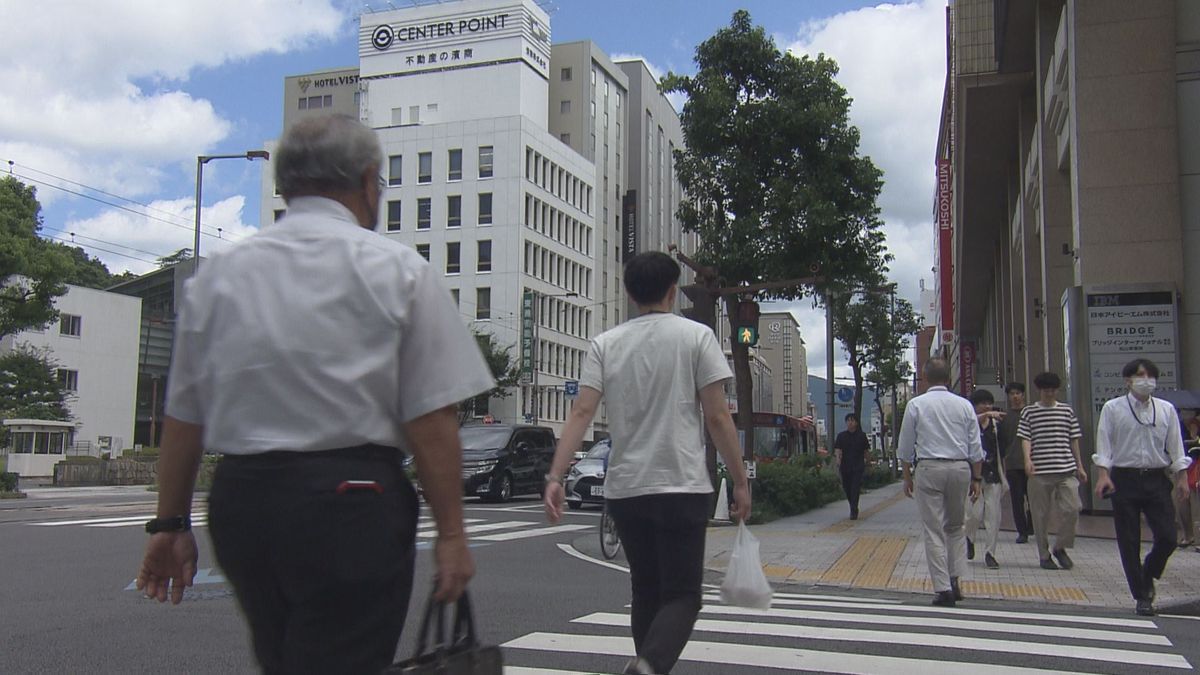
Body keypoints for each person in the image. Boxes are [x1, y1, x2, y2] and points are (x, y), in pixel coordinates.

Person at [134, 115, 496, 673]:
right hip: (351, 500)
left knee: (283, 656)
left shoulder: (221, 276)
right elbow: (431, 417)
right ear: (369, 180)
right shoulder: (397, 269)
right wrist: (452, 534)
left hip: (244, 501)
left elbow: (184, 415)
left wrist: (169, 525)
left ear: (284, 185)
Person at [543, 251, 749, 675]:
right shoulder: (696, 337)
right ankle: (649, 665)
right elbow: (716, 416)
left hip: (626, 489)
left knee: (646, 589)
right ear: (673, 291)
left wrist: (556, 475)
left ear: (628, 292)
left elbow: (581, 413)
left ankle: (647, 665)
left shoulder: (606, 343)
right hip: (681, 484)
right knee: (684, 595)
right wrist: (741, 480)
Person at [1093, 358, 1192, 616]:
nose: (1146, 379)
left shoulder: (1166, 409)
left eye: (1150, 375)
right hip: (1124, 478)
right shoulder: (1113, 408)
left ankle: (1149, 572)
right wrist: (1103, 475)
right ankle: (1142, 594)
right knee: (1128, 539)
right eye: (1140, 375)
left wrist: (1181, 478)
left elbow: (1176, 446)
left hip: (1157, 478)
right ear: (1128, 380)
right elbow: (1104, 445)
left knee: (1168, 536)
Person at [897, 357, 984, 607]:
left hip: (929, 466)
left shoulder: (916, 405)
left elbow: (905, 446)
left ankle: (942, 588)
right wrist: (977, 478)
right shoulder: (965, 405)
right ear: (948, 378)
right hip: (960, 467)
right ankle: (955, 579)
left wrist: (906, 477)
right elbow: (976, 447)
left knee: (933, 529)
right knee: (956, 526)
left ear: (924, 377)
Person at [1018, 371, 1087, 571]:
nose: (1049, 393)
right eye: (1046, 390)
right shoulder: (1029, 412)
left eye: (1053, 390)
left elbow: (1074, 439)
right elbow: (1025, 438)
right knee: (1040, 516)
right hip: (1039, 471)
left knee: (1073, 508)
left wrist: (1080, 465)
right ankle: (1044, 554)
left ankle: (1060, 546)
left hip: (1066, 469)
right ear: (1039, 390)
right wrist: (1027, 460)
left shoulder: (1066, 411)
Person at [964, 389, 1007, 570]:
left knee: (993, 516)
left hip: (993, 475)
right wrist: (987, 414)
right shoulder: (969, 423)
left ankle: (991, 553)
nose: (988, 406)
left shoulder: (996, 426)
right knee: (973, 514)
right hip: (973, 477)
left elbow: (1002, 450)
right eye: (983, 403)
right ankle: (969, 538)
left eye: (989, 403)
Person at [997, 382, 1034, 543]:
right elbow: (1002, 443)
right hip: (1012, 464)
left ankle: (1032, 525)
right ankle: (1022, 531)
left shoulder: (1032, 414)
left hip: (1033, 463)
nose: (1015, 396)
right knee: (1017, 500)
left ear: (1023, 395)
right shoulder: (1005, 418)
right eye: (1012, 393)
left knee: (1034, 498)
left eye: (1018, 393)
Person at [835, 413, 871, 520]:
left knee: (855, 488)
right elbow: (838, 449)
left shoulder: (862, 436)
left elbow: (866, 451)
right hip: (845, 466)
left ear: (856, 422)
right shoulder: (841, 436)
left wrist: (869, 463)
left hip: (858, 466)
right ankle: (852, 505)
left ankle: (853, 510)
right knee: (847, 488)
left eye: (852, 420)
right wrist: (838, 459)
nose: (850, 423)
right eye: (848, 421)